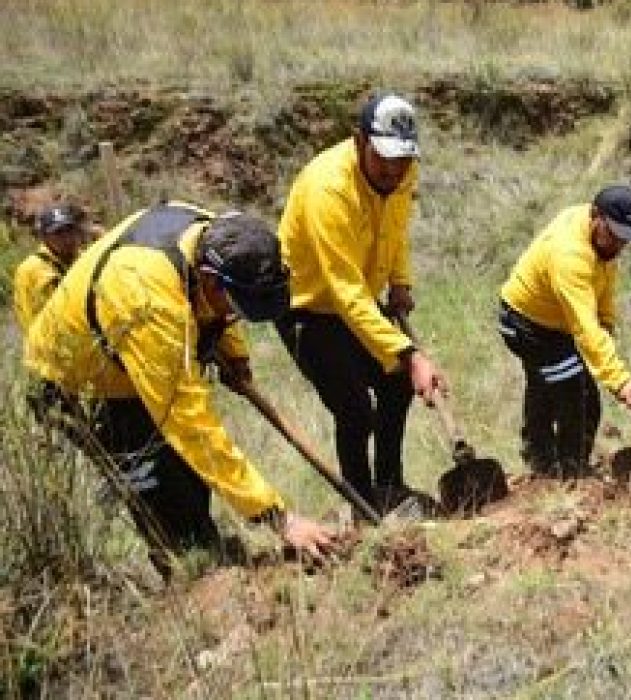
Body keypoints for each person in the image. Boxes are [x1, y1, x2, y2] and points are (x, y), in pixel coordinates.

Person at [24, 201, 337, 576]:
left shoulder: (212, 234)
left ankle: (216, 562)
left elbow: (222, 308)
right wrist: (277, 518)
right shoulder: (147, 299)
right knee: (164, 494)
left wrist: (234, 354)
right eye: (234, 304)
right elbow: (189, 423)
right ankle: (197, 587)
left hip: (134, 357)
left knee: (191, 480)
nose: (235, 315)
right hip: (82, 385)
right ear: (208, 277)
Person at [275, 92, 446, 517]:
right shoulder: (329, 191)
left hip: (358, 300)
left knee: (396, 384)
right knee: (354, 410)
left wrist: (400, 281)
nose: (391, 170)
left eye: (401, 160)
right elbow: (343, 291)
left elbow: (396, 228)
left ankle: (390, 486)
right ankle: (364, 509)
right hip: (308, 305)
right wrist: (410, 353)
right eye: (382, 158)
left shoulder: (403, 174)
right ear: (358, 141)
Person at [498, 184, 631, 477]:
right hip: (526, 324)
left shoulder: (599, 239)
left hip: (556, 322)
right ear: (596, 216)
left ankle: (540, 452)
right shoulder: (570, 254)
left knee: (548, 383)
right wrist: (619, 380)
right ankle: (569, 470)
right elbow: (585, 329)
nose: (619, 245)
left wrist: (606, 321)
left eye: (625, 239)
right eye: (615, 235)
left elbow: (602, 284)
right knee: (577, 391)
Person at [12, 203, 95, 333]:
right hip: (53, 339)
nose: (67, 238)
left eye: (69, 230)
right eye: (58, 233)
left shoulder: (86, 258)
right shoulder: (30, 269)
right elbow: (27, 315)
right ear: (44, 237)